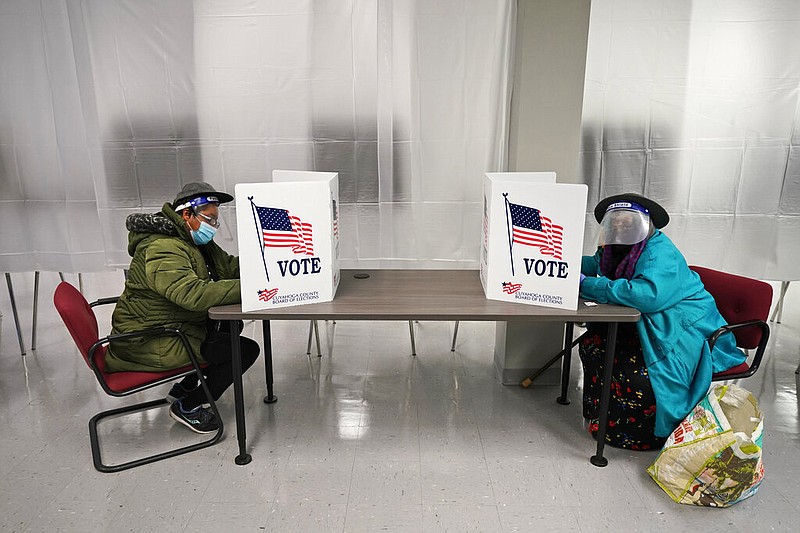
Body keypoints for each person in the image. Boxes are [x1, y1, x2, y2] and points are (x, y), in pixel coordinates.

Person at [578, 193, 746, 450]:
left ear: (644, 224)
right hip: (655, 323)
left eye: (628, 222)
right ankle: (602, 420)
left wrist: (588, 284)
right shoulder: (615, 251)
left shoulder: (660, 252)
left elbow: (647, 295)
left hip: (686, 327)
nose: (621, 227)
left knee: (637, 374)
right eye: (616, 223)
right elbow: (595, 264)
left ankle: (646, 435)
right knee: (594, 344)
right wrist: (564, 263)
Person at [106, 182, 259, 434]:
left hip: (172, 324)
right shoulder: (162, 246)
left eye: (215, 220)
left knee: (231, 325)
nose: (213, 226)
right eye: (209, 218)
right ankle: (187, 406)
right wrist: (256, 286)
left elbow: (228, 267)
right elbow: (191, 294)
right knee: (244, 350)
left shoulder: (192, 239)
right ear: (186, 214)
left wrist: (268, 264)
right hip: (148, 339)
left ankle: (185, 386)